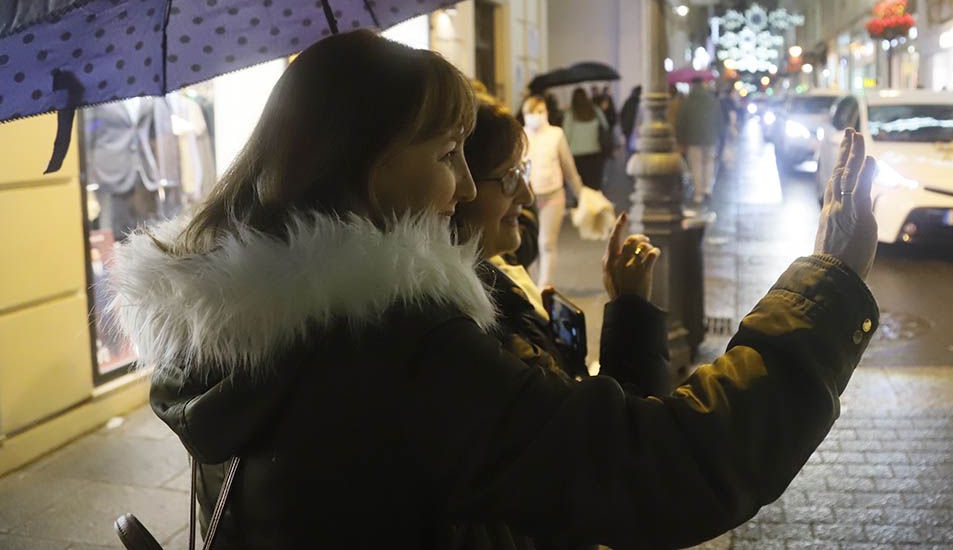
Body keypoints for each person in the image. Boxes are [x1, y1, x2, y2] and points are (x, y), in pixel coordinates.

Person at [109, 28, 882, 550]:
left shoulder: (256, 332)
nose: (467, 187)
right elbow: (666, 468)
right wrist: (830, 285)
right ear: (360, 163)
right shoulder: (396, 351)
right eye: (449, 154)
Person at [456, 97, 669, 394]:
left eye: (522, 172)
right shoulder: (475, 332)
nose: (526, 196)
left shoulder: (490, 281)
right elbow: (618, 428)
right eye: (508, 178)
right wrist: (630, 308)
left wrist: (550, 341)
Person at [522, 94, 585, 287]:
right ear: (525, 114)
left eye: (541, 111)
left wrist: (580, 193)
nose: (537, 115)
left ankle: (544, 287)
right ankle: (530, 285)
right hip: (527, 197)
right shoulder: (520, 134)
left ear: (547, 112)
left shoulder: (556, 134)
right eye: (532, 112)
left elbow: (568, 166)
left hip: (553, 195)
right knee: (529, 243)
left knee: (546, 243)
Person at [676, 77, 725, 208]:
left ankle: (698, 193)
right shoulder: (712, 100)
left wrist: (680, 139)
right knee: (709, 162)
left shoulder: (688, 101)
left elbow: (681, 121)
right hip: (711, 138)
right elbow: (719, 119)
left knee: (696, 165)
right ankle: (707, 188)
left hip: (693, 138)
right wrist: (721, 136)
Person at [562, 87, 609, 191]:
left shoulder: (570, 114)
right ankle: (595, 205)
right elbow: (605, 126)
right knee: (594, 185)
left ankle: (582, 205)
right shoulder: (595, 110)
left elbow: (566, 136)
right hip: (595, 152)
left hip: (576, 155)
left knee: (580, 186)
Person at [619, 84, 642, 156]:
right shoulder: (641, 103)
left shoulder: (628, 101)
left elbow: (621, 114)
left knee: (629, 148)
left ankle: (630, 162)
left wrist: (623, 126)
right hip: (635, 128)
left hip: (628, 128)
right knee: (637, 147)